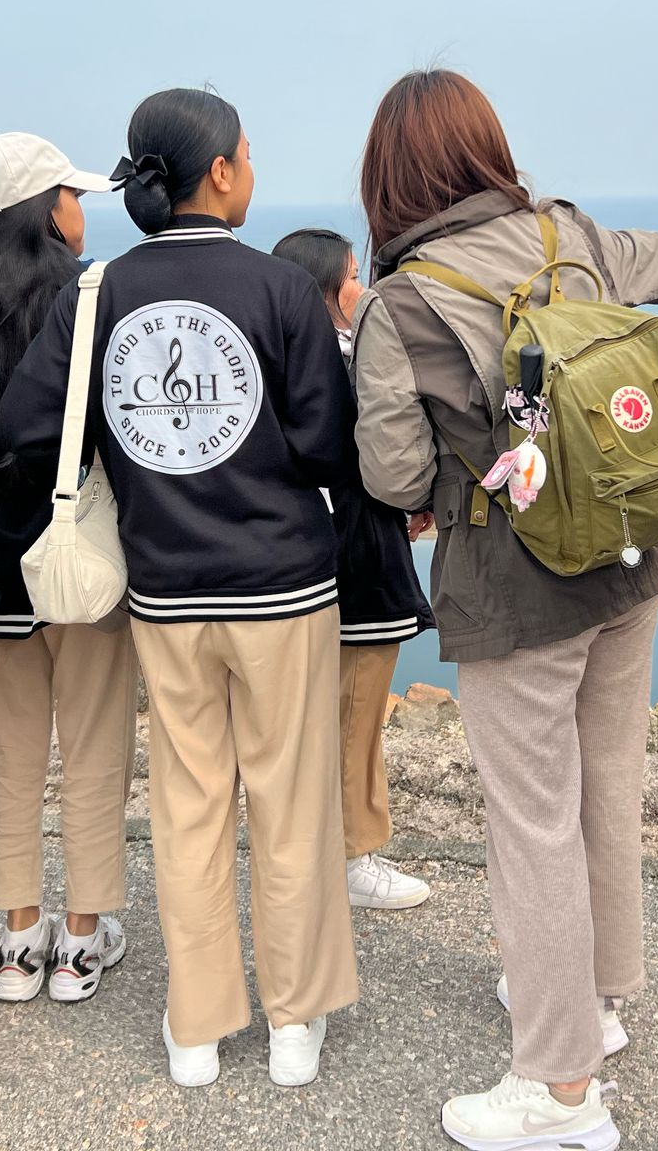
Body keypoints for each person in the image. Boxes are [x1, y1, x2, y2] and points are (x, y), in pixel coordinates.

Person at [351, 69, 658, 1151]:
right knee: (604, 787)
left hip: (514, 583)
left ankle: (560, 1089)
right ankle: (596, 999)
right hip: (631, 553)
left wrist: (446, 477)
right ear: (485, 148)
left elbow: (392, 475)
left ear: (390, 180)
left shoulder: (402, 302)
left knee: (531, 822)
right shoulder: (563, 234)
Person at [0, 88, 360, 1091]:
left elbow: (27, 425)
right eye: (248, 155)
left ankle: (196, 1030)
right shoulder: (280, 289)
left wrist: (133, 454)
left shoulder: (97, 292)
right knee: (290, 803)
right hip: (282, 588)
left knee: (188, 809)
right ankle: (293, 1024)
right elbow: (329, 447)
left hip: (163, 589)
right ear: (222, 173)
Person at [0, 133, 138, 1004]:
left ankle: (17, 940)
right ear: (48, 209)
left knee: (11, 757)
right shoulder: (86, 297)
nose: (80, 212)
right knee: (94, 750)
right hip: (80, 566)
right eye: (72, 196)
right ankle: (81, 942)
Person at [271, 227, 436, 912]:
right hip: (362, 567)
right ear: (333, 292)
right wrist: (417, 498)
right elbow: (389, 454)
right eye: (353, 277)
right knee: (355, 720)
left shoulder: (276, 363)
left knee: (315, 722)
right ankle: (351, 858)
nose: (363, 290)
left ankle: (323, 852)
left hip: (294, 570)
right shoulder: (350, 363)